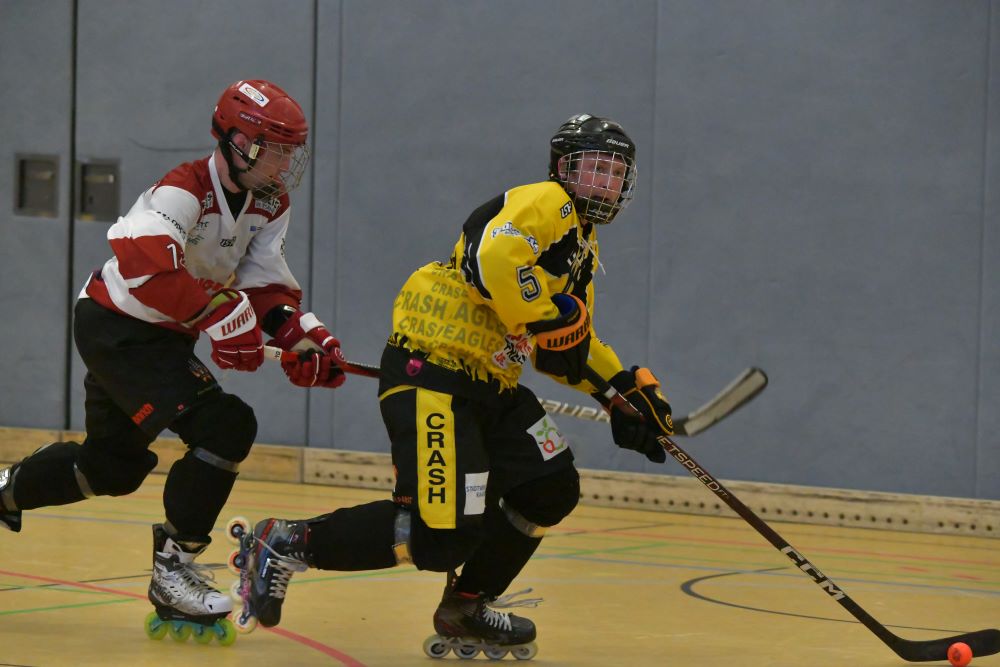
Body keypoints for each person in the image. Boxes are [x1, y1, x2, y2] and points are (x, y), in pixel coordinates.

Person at [230, 114, 674, 658]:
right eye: (593, 170)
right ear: (563, 169)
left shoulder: (583, 246)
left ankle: (466, 604)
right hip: (433, 372)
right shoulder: (548, 203)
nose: (602, 184)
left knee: (550, 487)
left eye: (613, 174)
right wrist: (544, 314)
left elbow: (567, 349)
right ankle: (286, 542)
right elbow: (492, 256)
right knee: (442, 536)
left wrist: (624, 392)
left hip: (493, 384)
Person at [0, 79, 348, 642]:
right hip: (117, 328)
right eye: (275, 148)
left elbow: (264, 287)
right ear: (236, 141)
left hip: (162, 337)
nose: (285, 162)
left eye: (291, 150)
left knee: (109, 470)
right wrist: (217, 311)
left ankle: (6, 489)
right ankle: (174, 571)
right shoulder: (182, 190)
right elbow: (146, 267)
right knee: (226, 424)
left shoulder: (269, 203)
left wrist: (304, 336)